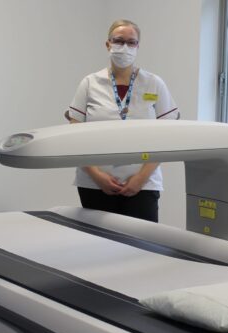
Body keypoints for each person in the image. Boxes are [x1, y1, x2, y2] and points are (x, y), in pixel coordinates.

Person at [66, 19, 180, 223]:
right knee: (98, 245)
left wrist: (140, 178)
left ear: (138, 46)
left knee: (142, 247)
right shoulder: (90, 83)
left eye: (131, 42)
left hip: (143, 185)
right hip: (94, 183)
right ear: (108, 44)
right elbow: (74, 136)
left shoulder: (153, 83)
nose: (124, 47)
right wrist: (96, 175)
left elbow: (168, 136)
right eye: (118, 41)